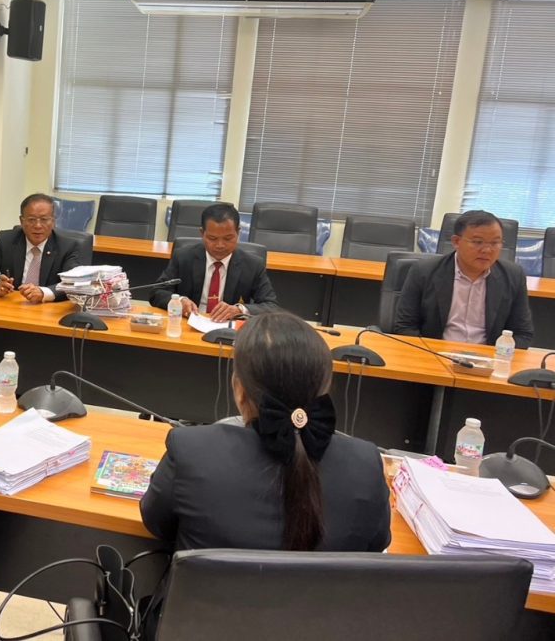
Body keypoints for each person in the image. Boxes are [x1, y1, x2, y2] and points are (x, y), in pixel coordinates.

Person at [139, 312, 390, 637]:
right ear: (325, 387)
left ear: (239, 390)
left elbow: (156, 522)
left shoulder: (190, 449)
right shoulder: (366, 463)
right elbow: (376, 544)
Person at [394, 210, 533, 348]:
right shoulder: (424, 271)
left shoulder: (513, 276)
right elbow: (405, 326)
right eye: (478, 242)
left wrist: (498, 355)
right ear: (456, 241)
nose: (487, 250)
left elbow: (522, 333)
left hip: (489, 356)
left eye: (495, 243)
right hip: (434, 352)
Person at [149, 203, 279, 319]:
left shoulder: (252, 265)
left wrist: (239, 310)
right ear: (202, 233)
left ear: (238, 232)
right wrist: (179, 301)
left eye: (228, 238)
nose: (220, 245)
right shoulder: (184, 257)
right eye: (212, 238)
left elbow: (271, 306)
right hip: (189, 324)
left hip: (228, 329)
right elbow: (156, 293)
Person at [0, 193, 81, 303]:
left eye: (44, 219)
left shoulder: (67, 246)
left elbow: (73, 283)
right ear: (21, 221)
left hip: (49, 309)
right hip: (12, 305)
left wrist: (44, 293)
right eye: (31, 219)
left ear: (53, 221)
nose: (38, 225)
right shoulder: (6, 240)